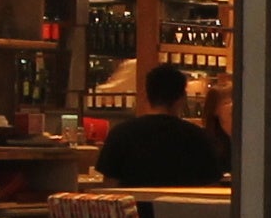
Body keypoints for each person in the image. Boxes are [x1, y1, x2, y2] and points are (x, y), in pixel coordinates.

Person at [97, 63, 229, 189]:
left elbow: (109, 186)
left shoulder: (121, 133)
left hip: (136, 205)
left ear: (146, 96)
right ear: (182, 98)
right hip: (181, 205)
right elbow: (211, 185)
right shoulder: (198, 137)